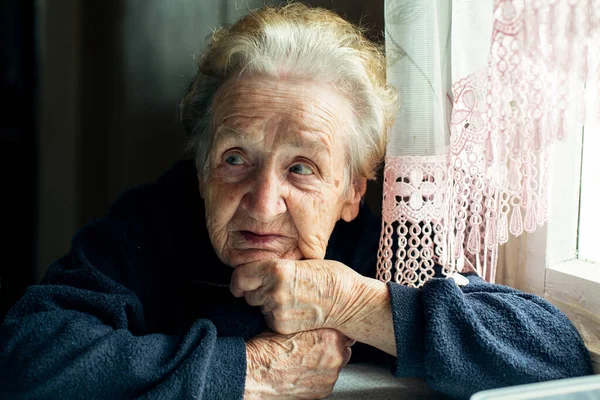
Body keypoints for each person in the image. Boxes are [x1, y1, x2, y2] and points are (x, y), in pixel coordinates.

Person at [0, 3, 593, 400]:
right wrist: (248, 374)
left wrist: (356, 302)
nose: (262, 203)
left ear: (354, 190)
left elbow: (558, 355)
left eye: (302, 168)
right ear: (203, 166)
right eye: (235, 158)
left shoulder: (394, 237)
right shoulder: (158, 220)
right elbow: (30, 357)